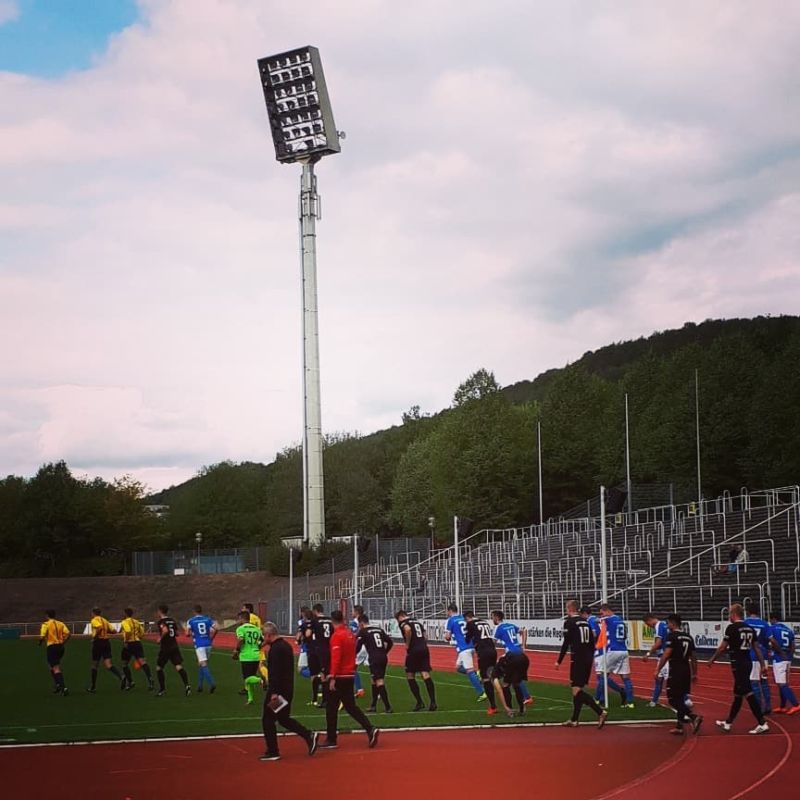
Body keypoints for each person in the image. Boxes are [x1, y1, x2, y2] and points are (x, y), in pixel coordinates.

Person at [319, 610, 379, 750]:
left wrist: (332, 676)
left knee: (331, 707)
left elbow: (336, 657)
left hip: (340, 675)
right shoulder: (350, 634)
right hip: (349, 674)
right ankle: (369, 728)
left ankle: (331, 738)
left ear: (332, 621)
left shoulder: (337, 636)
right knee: (350, 706)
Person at [259, 621, 318, 762]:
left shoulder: (275, 650)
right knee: (283, 719)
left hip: (278, 692)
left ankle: (273, 751)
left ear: (268, 635)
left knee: (267, 719)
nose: (262, 638)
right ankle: (308, 735)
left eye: (264, 635)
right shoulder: (285, 646)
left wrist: (273, 693)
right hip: (287, 689)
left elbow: (275, 673)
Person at [708, 603, 768, 734]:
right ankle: (728, 722)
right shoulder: (749, 628)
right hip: (747, 661)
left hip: (738, 662)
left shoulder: (732, 628)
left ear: (734, 614)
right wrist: (763, 664)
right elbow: (757, 648)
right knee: (738, 693)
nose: (729, 616)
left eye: (730, 613)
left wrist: (712, 659)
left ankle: (762, 722)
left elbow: (723, 647)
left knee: (747, 692)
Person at [555, 599, 606, 728]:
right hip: (587, 658)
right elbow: (592, 643)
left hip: (577, 659)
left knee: (576, 690)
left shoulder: (569, 622)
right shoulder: (586, 622)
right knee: (577, 689)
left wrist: (558, 661)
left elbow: (566, 643)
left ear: (569, 609)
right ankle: (574, 719)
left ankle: (600, 712)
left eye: (566, 608)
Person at [654, 614, 702, 736]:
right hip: (686, 669)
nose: (667, 626)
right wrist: (695, 673)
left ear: (673, 623)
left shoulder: (672, 636)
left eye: (668, 623)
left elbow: (666, 654)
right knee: (680, 697)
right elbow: (694, 657)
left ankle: (693, 716)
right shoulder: (688, 637)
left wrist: (658, 669)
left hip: (676, 669)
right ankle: (679, 726)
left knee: (672, 699)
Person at [491, 610, 533, 710]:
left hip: (511, 655)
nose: (492, 619)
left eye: (492, 617)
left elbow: (492, 642)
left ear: (497, 618)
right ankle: (526, 697)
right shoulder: (510, 625)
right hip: (520, 652)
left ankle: (509, 707)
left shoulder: (498, 628)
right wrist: (523, 646)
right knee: (517, 677)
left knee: (506, 680)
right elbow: (524, 631)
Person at [395, 610, 437, 711]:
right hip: (424, 648)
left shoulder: (404, 623)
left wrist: (407, 644)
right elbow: (425, 636)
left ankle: (419, 702)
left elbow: (408, 630)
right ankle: (433, 702)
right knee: (425, 674)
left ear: (401, 617)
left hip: (413, 650)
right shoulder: (417, 622)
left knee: (410, 674)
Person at [444, 603, 485, 700]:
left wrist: (448, 638)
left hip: (463, 648)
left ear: (450, 611)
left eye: (447, 611)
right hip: (470, 645)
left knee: (469, 670)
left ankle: (482, 692)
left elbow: (447, 637)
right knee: (458, 667)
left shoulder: (451, 620)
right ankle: (477, 674)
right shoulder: (464, 618)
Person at [599, 604, 635, 708]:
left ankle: (600, 699)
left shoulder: (609, 619)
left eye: (602, 613)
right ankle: (630, 702)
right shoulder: (620, 619)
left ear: (607, 611)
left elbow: (598, 621)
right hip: (624, 650)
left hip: (613, 650)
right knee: (626, 678)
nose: (601, 615)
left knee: (603, 675)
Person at [356, 614, 393, 713]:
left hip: (374, 658)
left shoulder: (363, 631)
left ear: (361, 623)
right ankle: (373, 705)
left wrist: (352, 654)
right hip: (383, 657)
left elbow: (358, 646)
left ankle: (388, 707)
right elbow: (390, 642)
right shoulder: (379, 629)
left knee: (379, 681)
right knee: (373, 680)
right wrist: (385, 652)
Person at [465, 611, 498, 715]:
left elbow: (467, 639)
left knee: (486, 679)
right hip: (493, 650)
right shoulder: (484, 622)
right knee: (493, 676)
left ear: (467, 618)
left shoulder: (470, 624)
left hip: (483, 652)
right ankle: (504, 700)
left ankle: (493, 706)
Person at [155, 604, 191, 697]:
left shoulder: (161, 622)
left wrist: (160, 638)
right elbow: (176, 633)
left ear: (160, 611)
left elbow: (165, 630)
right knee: (178, 666)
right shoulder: (172, 620)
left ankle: (162, 689)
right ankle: (187, 685)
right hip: (174, 646)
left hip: (166, 647)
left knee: (159, 668)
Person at [767, 612, 799, 714]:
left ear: (773, 619)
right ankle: (783, 706)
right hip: (787, 659)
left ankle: (796, 704)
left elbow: (772, 641)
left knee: (782, 684)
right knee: (783, 683)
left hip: (779, 659)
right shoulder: (788, 630)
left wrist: (779, 652)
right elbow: (793, 646)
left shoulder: (772, 628)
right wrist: (789, 656)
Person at [87, 607, 124, 693]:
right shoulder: (104, 620)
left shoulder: (94, 620)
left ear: (93, 613)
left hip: (98, 643)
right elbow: (114, 631)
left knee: (94, 665)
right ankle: (121, 676)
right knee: (108, 665)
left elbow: (99, 628)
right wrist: (106, 632)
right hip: (106, 642)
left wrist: (94, 637)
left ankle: (93, 687)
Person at [745, 604, 772, 714]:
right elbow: (769, 640)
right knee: (764, 681)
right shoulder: (764, 624)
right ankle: (768, 705)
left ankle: (758, 707)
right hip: (763, 655)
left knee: (754, 682)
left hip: (752, 655)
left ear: (748, 611)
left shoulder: (745, 623)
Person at [185, 604, 218, 693]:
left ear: (194, 611)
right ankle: (200, 686)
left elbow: (187, 634)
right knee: (201, 664)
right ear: (201, 611)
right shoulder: (207, 619)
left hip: (199, 645)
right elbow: (216, 628)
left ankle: (212, 683)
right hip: (208, 644)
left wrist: (192, 632)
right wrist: (212, 638)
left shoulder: (191, 621)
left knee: (203, 664)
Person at [233, 610, 264, 705]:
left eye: (238, 619)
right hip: (255, 655)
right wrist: (257, 647)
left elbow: (241, 640)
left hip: (246, 656)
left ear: (242, 619)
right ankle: (250, 699)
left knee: (247, 679)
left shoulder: (240, 629)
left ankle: (261, 680)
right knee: (250, 679)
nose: (237, 621)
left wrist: (237, 650)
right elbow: (262, 640)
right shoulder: (256, 629)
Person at [120, 607, 154, 691]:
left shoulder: (124, 622)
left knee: (124, 664)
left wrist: (126, 641)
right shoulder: (136, 622)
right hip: (137, 643)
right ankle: (150, 680)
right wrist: (138, 638)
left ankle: (131, 682)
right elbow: (142, 633)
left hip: (129, 643)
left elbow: (127, 631)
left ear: (125, 614)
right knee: (142, 662)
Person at [491, 650, 531, 718]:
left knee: (505, 685)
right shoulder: (500, 664)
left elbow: (499, 691)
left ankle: (510, 710)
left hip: (513, 661)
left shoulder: (494, 674)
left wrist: (505, 707)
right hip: (525, 659)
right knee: (516, 683)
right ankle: (522, 708)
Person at [39, 610, 70, 695]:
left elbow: (42, 636)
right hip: (60, 647)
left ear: (47, 615)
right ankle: (58, 684)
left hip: (52, 647)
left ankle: (63, 687)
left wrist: (40, 642)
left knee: (56, 668)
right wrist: (63, 642)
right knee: (51, 665)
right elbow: (68, 634)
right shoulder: (60, 623)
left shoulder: (46, 624)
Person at [641, 612, 669, 706]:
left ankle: (685, 700)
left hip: (665, 657)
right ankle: (654, 701)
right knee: (659, 679)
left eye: (647, 623)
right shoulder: (664, 625)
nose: (648, 626)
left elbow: (658, 643)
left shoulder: (658, 626)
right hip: (666, 656)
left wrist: (648, 653)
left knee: (661, 679)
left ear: (650, 620)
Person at [310, 604, 334, 708]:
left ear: (315, 611)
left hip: (321, 649)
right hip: (330, 648)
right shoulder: (329, 620)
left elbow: (308, 634)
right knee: (327, 673)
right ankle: (328, 699)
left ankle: (326, 701)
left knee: (324, 676)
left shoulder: (314, 621)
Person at [242, 603, 268, 686]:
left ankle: (266, 680)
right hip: (258, 641)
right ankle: (265, 680)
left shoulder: (248, 618)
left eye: (243, 608)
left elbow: (247, 630)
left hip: (250, 644)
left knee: (248, 668)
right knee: (260, 664)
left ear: (247, 609)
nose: (242, 610)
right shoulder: (257, 618)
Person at [349, 604, 366, 698]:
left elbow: (354, 635)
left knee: (352, 668)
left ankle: (359, 689)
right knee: (373, 670)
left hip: (360, 647)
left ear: (356, 612)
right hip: (368, 647)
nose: (352, 613)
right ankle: (378, 691)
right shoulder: (366, 620)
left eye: (353, 611)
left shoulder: (354, 622)